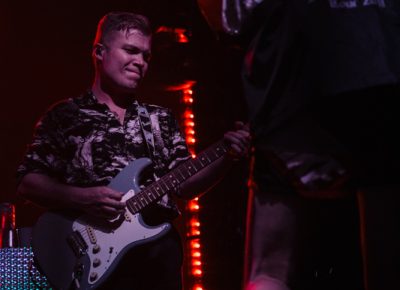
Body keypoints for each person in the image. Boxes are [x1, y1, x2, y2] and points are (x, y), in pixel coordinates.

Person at [16, 11, 251, 290]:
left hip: (155, 257)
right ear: (100, 52)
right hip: (87, 258)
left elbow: (184, 185)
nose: (140, 62)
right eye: (130, 51)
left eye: (146, 56)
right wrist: (82, 198)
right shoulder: (65, 116)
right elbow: (28, 183)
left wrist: (228, 155)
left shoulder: (160, 119)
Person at [216, 0, 400, 290]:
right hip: (377, 85)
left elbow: (230, 20)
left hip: (292, 99)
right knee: (388, 267)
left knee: (270, 271)